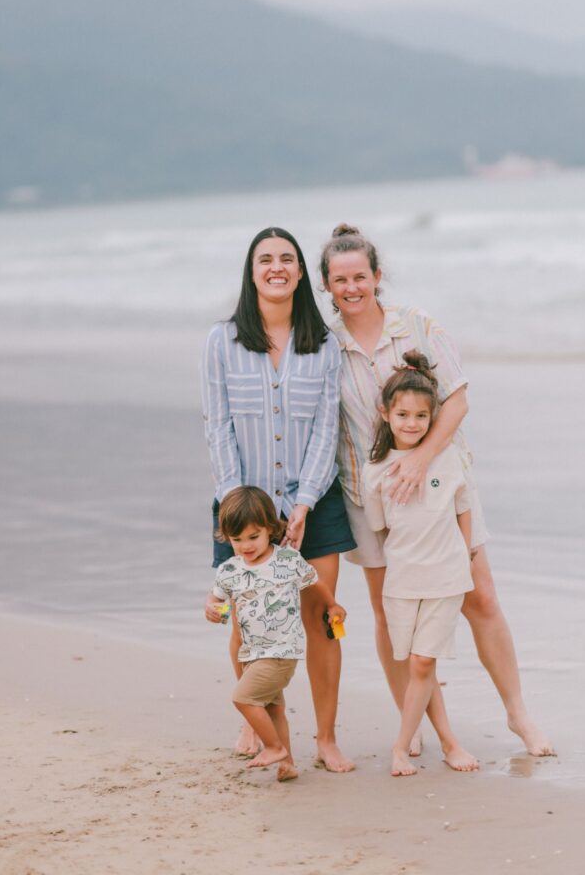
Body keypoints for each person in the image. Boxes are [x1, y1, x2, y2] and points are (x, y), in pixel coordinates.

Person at [320, 223, 554, 758]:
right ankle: (414, 721)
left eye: (360, 276)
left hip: (441, 487)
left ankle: (518, 715)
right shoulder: (326, 347)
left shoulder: (417, 326)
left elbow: (457, 400)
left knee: (481, 598)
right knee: (390, 613)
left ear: (377, 277)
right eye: (340, 280)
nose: (351, 287)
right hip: (370, 497)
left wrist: (421, 459)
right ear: (328, 287)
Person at [201, 226, 357, 773]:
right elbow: (217, 426)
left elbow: (327, 430)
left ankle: (327, 738)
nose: (276, 267)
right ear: (252, 271)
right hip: (243, 508)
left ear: (299, 273)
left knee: (320, 619)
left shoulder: (325, 345)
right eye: (265, 259)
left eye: (286, 259)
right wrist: (244, 508)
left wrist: (303, 504)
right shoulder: (222, 341)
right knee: (247, 622)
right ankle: (261, 721)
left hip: (313, 500)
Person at [363, 351, 475, 777]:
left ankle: (400, 746)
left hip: (447, 576)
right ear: (386, 413)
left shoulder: (446, 458)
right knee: (415, 665)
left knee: (424, 663)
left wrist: (463, 552)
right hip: (403, 581)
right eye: (403, 414)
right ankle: (447, 741)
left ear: (433, 418)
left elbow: (463, 506)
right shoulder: (375, 472)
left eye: (421, 416)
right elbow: (382, 531)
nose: (412, 423)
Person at [205, 486, 347, 782]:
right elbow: (216, 599)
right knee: (273, 708)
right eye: (237, 539)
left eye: (253, 537)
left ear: (270, 529)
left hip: (282, 651)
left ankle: (272, 747)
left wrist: (332, 604)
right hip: (251, 653)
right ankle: (288, 763)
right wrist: (212, 608)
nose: (246, 546)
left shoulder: (285, 561)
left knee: (243, 698)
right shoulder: (230, 570)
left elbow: (314, 582)